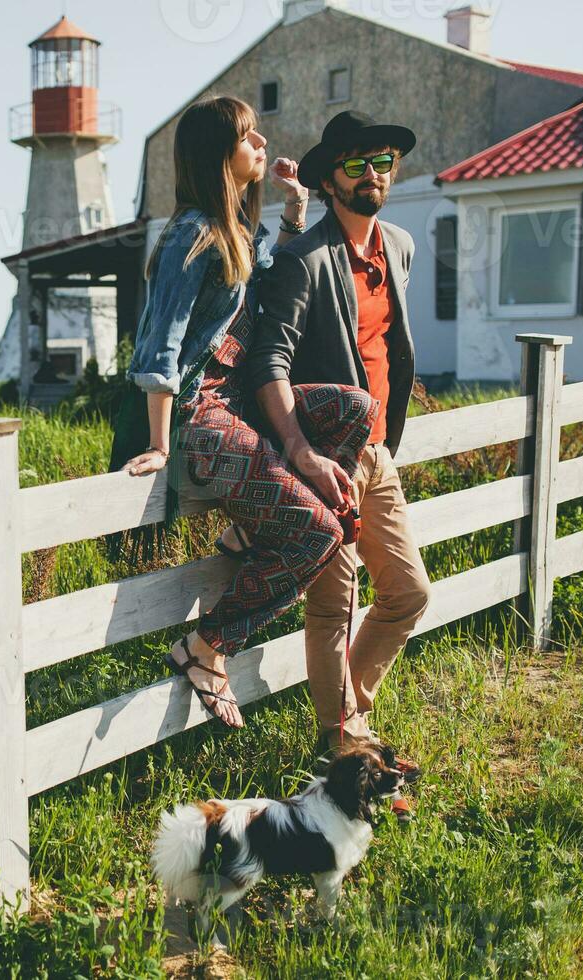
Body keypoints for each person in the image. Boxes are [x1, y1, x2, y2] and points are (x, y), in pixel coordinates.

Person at [112, 95, 374, 730]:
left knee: (353, 410)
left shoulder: (230, 231)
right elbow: (160, 342)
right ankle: (208, 646)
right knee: (318, 532)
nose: (262, 144)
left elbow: (268, 276)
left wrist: (293, 211)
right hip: (198, 414)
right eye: (247, 136)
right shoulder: (189, 236)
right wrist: (162, 441)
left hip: (237, 404)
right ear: (217, 154)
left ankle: (253, 529)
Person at [244, 110, 433, 811]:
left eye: (384, 160)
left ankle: (351, 719)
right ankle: (345, 742)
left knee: (408, 592)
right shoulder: (305, 258)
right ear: (329, 179)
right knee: (333, 605)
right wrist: (298, 449)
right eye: (357, 163)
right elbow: (271, 359)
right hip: (324, 456)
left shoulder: (401, 247)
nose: (374, 173)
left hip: (379, 452)